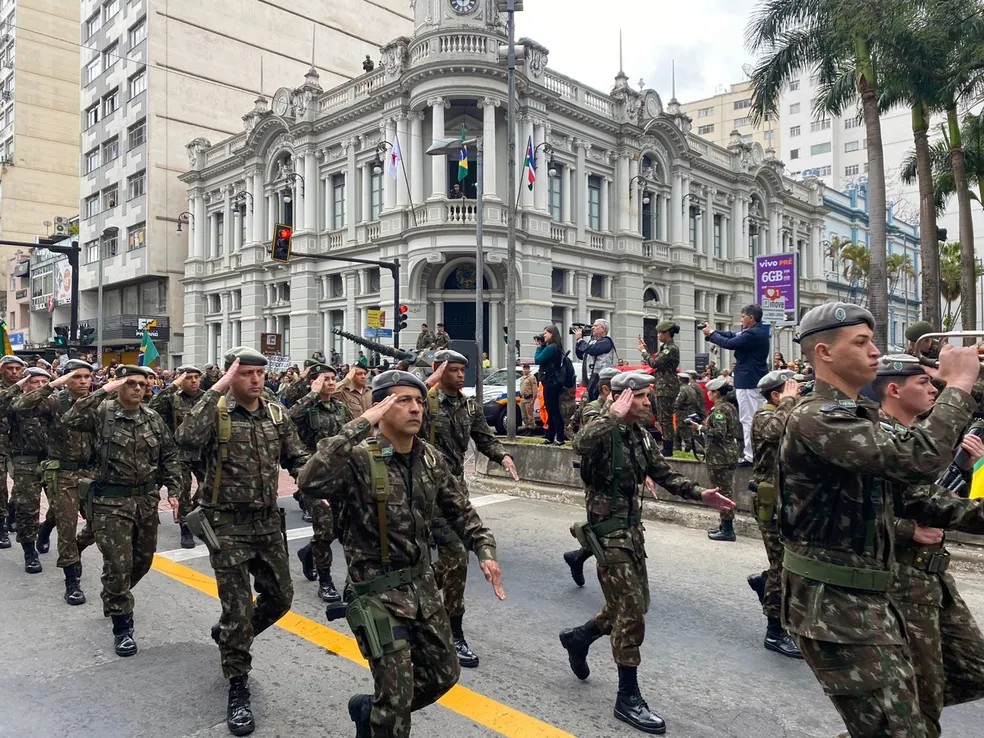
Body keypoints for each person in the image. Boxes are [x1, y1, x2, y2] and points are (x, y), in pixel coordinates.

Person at [779, 302, 981, 737]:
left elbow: (917, 499)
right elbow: (919, 460)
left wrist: (970, 383)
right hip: (834, 604)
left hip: (873, 596)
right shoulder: (817, 417)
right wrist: (959, 384)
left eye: (872, 340)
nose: (875, 351)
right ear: (824, 354)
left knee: (933, 700)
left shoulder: (860, 418)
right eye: (861, 342)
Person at [296, 370, 505, 738]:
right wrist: (362, 422)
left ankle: (370, 711)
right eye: (403, 401)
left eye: (419, 401)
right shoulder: (361, 458)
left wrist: (484, 548)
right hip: (375, 592)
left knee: (444, 674)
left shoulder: (429, 459)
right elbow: (310, 480)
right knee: (396, 701)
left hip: (421, 587)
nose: (415, 409)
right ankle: (384, 717)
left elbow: (461, 510)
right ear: (382, 406)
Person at [560, 371, 734, 735]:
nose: (647, 403)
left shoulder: (639, 435)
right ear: (623, 398)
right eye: (640, 397)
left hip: (632, 535)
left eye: (647, 397)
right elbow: (579, 444)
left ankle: (579, 638)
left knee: (634, 605)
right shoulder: (601, 423)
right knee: (631, 615)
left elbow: (663, 473)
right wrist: (611, 413)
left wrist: (699, 494)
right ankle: (627, 697)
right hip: (609, 539)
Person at [175, 348, 310, 736]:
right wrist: (215, 389)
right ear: (231, 376)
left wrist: (312, 482)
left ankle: (233, 635)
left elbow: (297, 456)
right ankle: (238, 685)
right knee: (236, 609)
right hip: (226, 525)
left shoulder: (276, 413)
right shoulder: (215, 411)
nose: (255, 380)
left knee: (281, 599)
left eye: (259, 373)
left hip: (267, 523)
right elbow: (184, 439)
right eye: (246, 373)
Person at [873, 355, 984, 733]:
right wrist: (907, 530)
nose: (933, 390)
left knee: (974, 670)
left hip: (934, 577)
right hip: (902, 580)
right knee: (922, 707)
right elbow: (844, 510)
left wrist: (962, 468)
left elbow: (928, 494)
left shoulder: (919, 437)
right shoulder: (877, 437)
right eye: (924, 383)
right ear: (894, 389)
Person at [61, 365, 181, 657]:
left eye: (142, 384)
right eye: (131, 383)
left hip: (145, 502)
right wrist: (104, 388)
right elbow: (70, 417)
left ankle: (113, 592)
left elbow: (170, 455)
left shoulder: (152, 419)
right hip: (109, 503)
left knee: (143, 560)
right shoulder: (102, 413)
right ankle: (122, 628)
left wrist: (175, 491)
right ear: (119, 386)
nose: (138, 388)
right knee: (118, 564)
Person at [422, 351, 519, 667]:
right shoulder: (425, 402)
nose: (461, 375)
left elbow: (485, 437)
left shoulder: (469, 405)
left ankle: (453, 632)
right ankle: (418, 604)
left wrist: (501, 456)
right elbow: (397, 410)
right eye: (454, 369)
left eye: (464, 369)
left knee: (455, 558)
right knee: (431, 559)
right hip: (423, 492)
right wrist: (427, 385)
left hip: (454, 492)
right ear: (439, 371)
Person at [11, 360, 97, 604]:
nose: (83, 381)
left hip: (90, 473)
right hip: (61, 472)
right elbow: (19, 406)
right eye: (76, 377)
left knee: (97, 523)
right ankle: (72, 581)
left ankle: (52, 534)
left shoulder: (98, 401)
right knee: (66, 525)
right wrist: (52, 385)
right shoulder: (54, 401)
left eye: (87, 377)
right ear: (65, 379)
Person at [745, 370, 801, 657]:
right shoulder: (765, 416)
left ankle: (764, 581)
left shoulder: (785, 413)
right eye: (792, 389)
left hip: (786, 498)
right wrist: (789, 402)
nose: (798, 394)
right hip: (770, 500)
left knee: (788, 562)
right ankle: (774, 631)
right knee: (782, 566)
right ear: (776, 395)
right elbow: (774, 432)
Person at [288, 364, 351, 603]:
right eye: (326, 379)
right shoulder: (305, 408)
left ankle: (308, 553)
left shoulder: (341, 408)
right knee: (324, 530)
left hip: (340, 477)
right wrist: (312, 393)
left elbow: (352, 435)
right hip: (314, 476)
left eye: (334, 379)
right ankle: (326, 581)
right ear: (315, 383)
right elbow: (290, 417)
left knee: (340, 528)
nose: (332, 383)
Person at [562, 366, 618, 586]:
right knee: (607, 528)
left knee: (613, 526)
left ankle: (579, 555)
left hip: (618, 476)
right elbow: (590, 437)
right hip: (598, 476)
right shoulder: (593, 409)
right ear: (606, 390)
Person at [2, 367, 56, 573]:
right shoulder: (16, 403)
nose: (41, 386)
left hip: (52, 461)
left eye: (45, 382)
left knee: (60, 508)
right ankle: (29, 552)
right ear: (25, 384)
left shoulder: (54, 403)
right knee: (28, 510)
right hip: (26, 462)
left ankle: (45, 531)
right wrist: (18, 386)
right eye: (36, 382)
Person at [702, 304, 769, 466]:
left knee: (748, 419)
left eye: (743, 316)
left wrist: (711, 334)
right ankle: (759, 453)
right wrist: (714, 332)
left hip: (748, 382)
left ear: (751, 318)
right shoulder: (757, 331)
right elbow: (731, 335)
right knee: (759, 418)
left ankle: (750, 456)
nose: (741, 319)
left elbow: (730, 343)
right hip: (756, 380)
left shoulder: (752, 334)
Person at [149, 364, 207, 549]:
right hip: (179, 453)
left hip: (203, 452)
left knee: (210, 487)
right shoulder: (172, 399)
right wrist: (174, 385)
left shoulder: (207, 398)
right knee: (182, 491)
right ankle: (186, 528)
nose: (194, 381)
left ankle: (197, 516)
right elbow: (153, 406)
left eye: (197, 377)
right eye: (189, 378)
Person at [693, 377, 741, 542]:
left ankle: (728, 529)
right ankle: (723, 524)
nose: (708, 394)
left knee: (723, 492)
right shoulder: (728, 407)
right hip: (726, 454)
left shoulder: (720, 410)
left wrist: (701, 427)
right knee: (723, 489)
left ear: (716, 393)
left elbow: (719, 432)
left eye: (710, 392)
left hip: (721, 456)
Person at [639, 320, 681, 457]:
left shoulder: (670, 348)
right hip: (664, 385)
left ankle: (668, 448)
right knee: (664, 418)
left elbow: (655, 363)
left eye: (660, 333)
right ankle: (668, 446)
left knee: (665, 418)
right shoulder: (666, 348)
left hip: (667, 386)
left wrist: (644, 352)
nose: (657, 336)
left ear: (667, 333)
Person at [0, 354, 26, 546]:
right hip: (1, 444)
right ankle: (1, 527)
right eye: (10, 368)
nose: (14, 372)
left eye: (18, 369)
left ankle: (12, 511)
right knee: (0, 487)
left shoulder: (29, 389)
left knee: (24, 484)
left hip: (21, 445)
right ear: (2, 370)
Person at [535, 325, 567, 445]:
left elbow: (538, 360)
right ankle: (551, 436)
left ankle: (558, 437)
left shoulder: (552, 348)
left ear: (552, 334)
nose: (544, 335)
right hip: (553, 382)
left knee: (553, 410)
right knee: (551, 409)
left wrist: (539, 348)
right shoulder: (556, 347)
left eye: (546, 333)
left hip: (550, 382)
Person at [575, 318, 616, 402]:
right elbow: (580, 355)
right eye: (592, 325)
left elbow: (592, 350)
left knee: (597, 402)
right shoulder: (592, 342)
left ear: (603, 329)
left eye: (596, 325)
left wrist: (580, 340)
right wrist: (578, 341)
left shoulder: (606, 341)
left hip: (601, 378)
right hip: (592, 379)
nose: (592, 328)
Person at [673, 371, 703, 453]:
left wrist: (671, 409)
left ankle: (697, 451)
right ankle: (677, 451)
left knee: (686, 438)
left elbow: (677, 403)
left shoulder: (682, 390)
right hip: (690, 414)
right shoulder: (691, 389)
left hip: (682, 416)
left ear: (681, 380)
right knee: (677, 435)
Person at [519, 363, 538, 431]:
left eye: (526, 369)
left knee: (530, 415)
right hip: (522, 399)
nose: (525, 370)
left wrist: (533, 400)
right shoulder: (522, 378)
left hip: (529, 399)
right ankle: (526, 428)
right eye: (524, 369)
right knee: (524, 416)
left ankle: (531, 429)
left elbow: (534, 389)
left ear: (529, 369)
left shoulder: (531, 377)